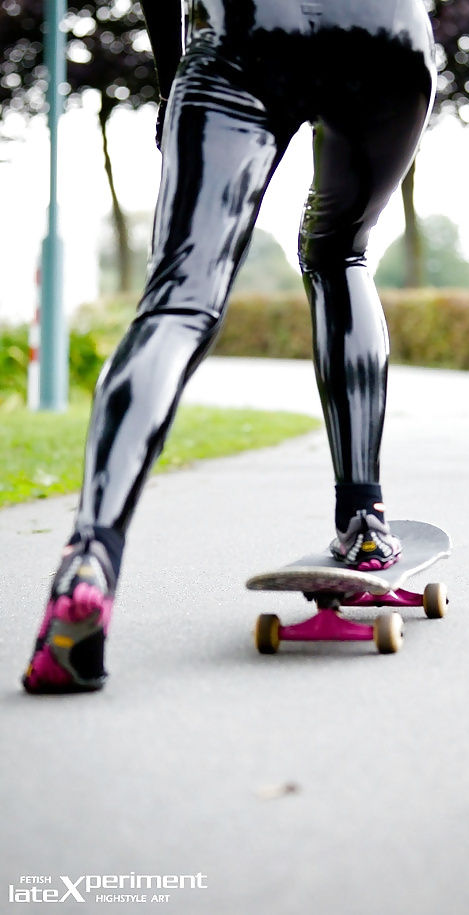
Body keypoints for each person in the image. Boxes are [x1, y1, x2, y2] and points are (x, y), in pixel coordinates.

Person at [22, 0, 436, 693]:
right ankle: (364, 521)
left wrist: (172, 84)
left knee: (180, 300)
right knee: (339, 255)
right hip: (387, 33)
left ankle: (90, 557)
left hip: (248, 30)